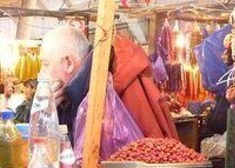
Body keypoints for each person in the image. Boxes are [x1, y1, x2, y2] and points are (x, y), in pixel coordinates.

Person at [39, 25, 177, 142]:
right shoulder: (67, 97)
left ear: (68, 63)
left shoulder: (112, 86)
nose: (41, 73)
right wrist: (44, 112)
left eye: (45, 64)